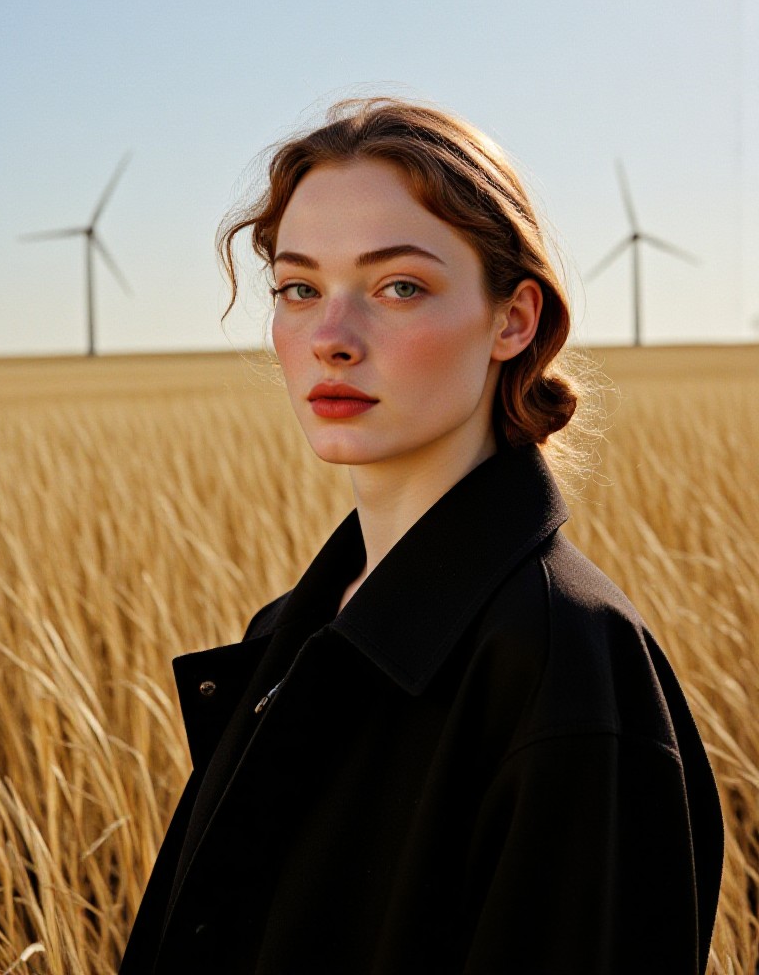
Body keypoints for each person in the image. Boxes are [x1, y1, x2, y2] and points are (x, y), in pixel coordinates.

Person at [119, 98, 724, 975]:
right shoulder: (290, 630)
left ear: (513, 321)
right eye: (299, 289)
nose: (330, 338)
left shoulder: (567, 664)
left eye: (399, 286)